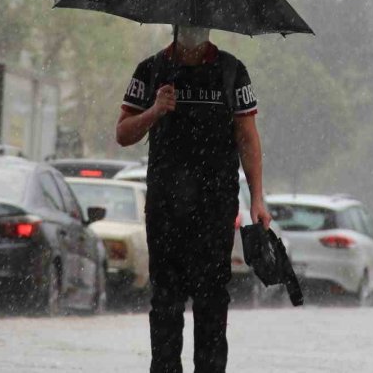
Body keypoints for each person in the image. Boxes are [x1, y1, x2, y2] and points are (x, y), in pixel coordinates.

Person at [116, 26, 271, 373]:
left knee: (212, 301)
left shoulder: (232, 71)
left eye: (201, 20)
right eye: (187, 19)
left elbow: (248, 137)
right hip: (165, 207)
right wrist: (155, 111)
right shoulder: (151, 70)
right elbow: (123, 133)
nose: (194, 28)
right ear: (174, 24)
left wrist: (258, 198)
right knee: (165, 300)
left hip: (215, 208)